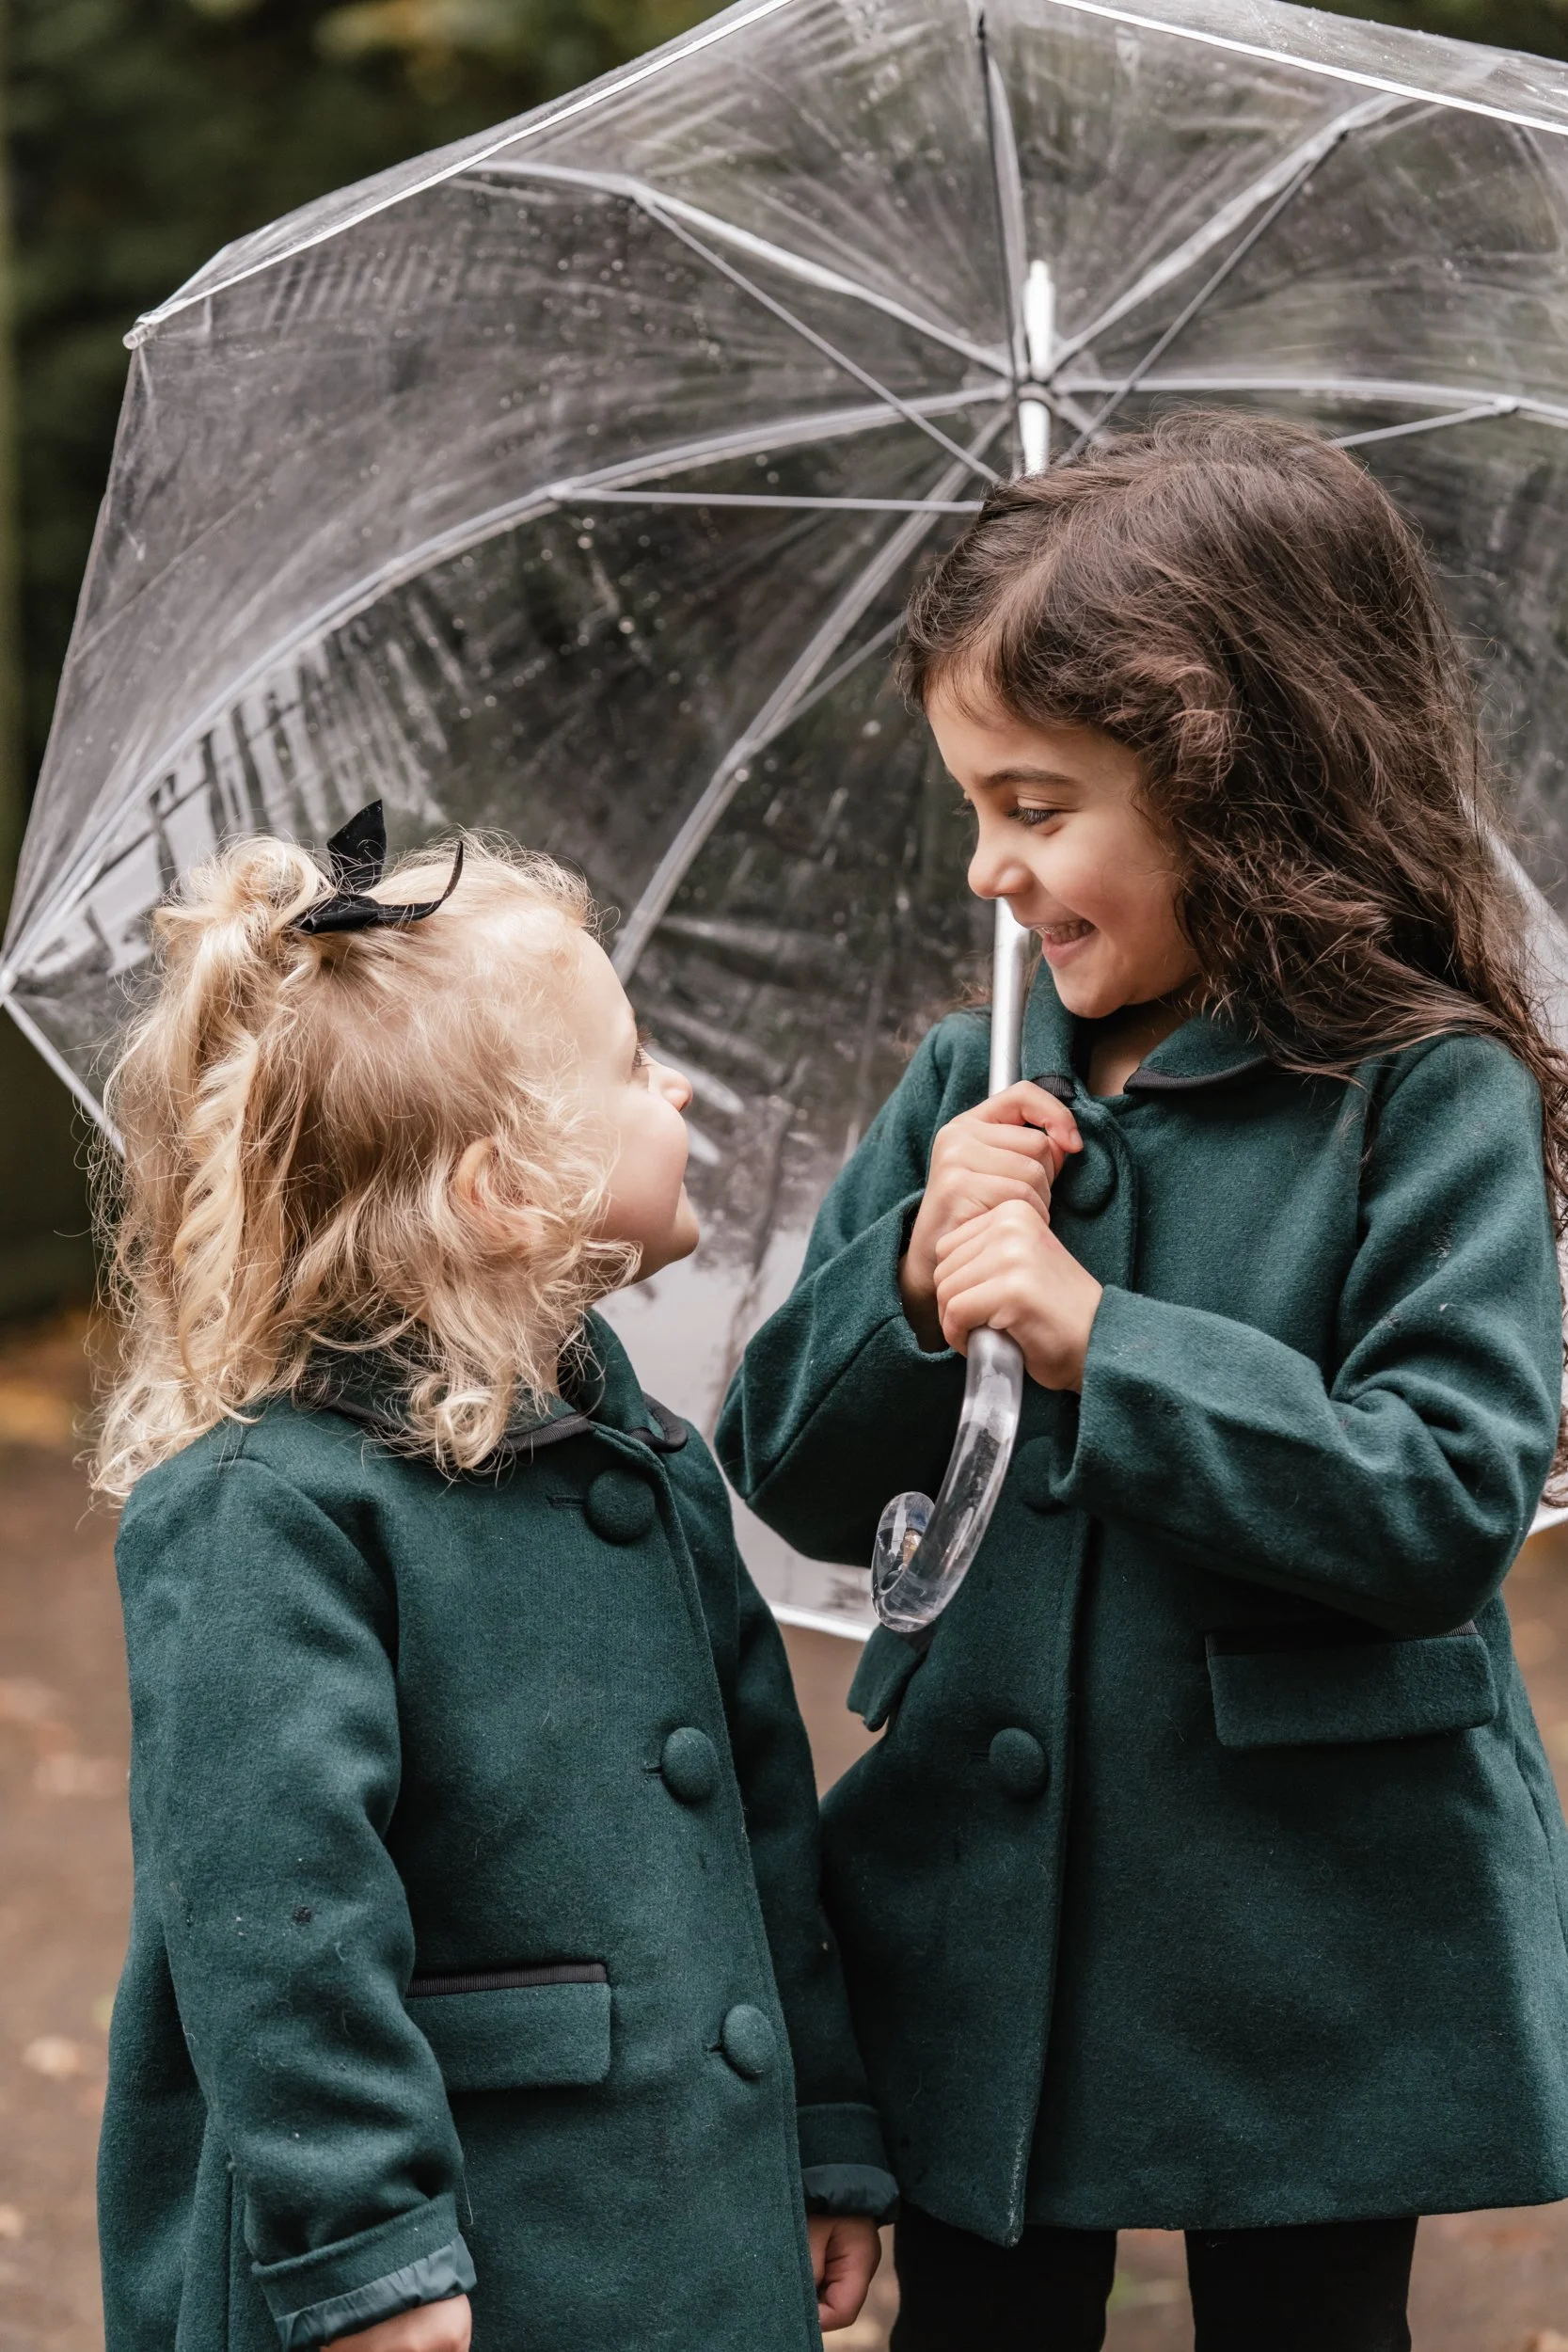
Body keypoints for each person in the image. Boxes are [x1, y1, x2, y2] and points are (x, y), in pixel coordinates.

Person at [716, 413, 1568, 2352]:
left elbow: (1436, 1497)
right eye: (968, 804)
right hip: (981, 1913)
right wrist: (916, 1284)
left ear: (1231, 779)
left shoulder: (1420, 1096)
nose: (984, 863)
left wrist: (1106, 1337)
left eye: (1033, 804)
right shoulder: (970, 1074)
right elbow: (788, 1462)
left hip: (1311, 1924)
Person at [94, 804, 893, 2352]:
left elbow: (758, 1841)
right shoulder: (273, 1513)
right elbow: (276, 1925)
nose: (676, 1090)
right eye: (633, 1064)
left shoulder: (643, 1458)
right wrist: (372, 2254)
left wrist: (821, 2131)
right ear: (504, 1192)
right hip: (457, 2256)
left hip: (677, 2223)